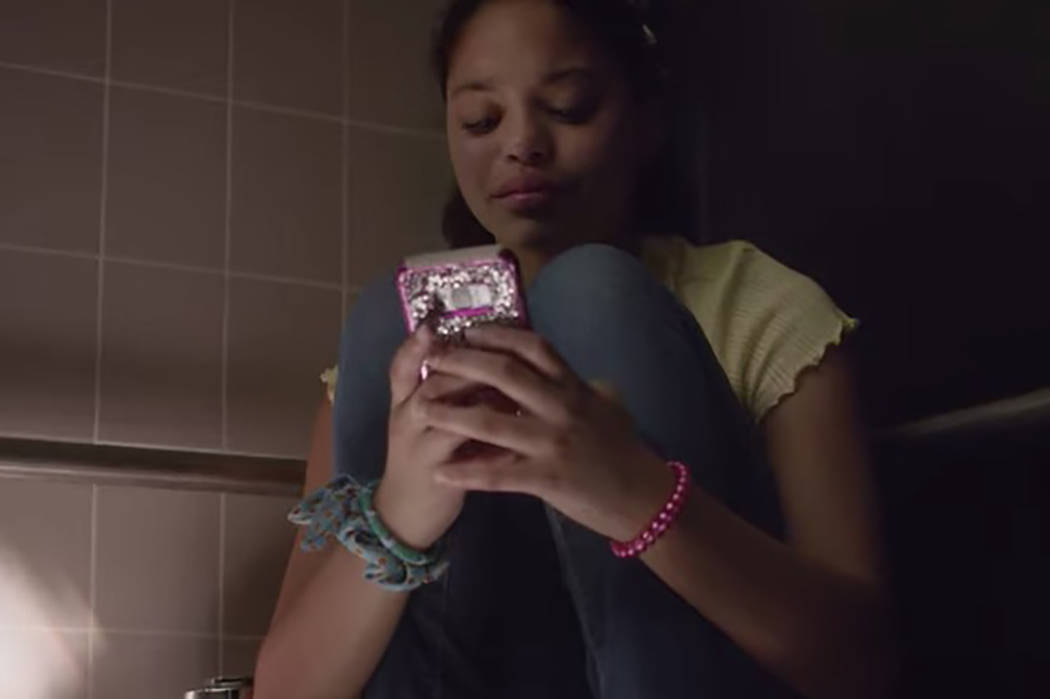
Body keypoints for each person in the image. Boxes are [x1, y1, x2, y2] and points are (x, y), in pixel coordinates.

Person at [254, 1, 897, 697]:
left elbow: (864, 668)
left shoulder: (758, 308)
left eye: (569, 107)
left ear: (645, 119)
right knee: (391, 314)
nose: (522, 143)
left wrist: (634, 492)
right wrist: (399, 517)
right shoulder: (392, 354)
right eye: (481, 120)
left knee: (597, 297)